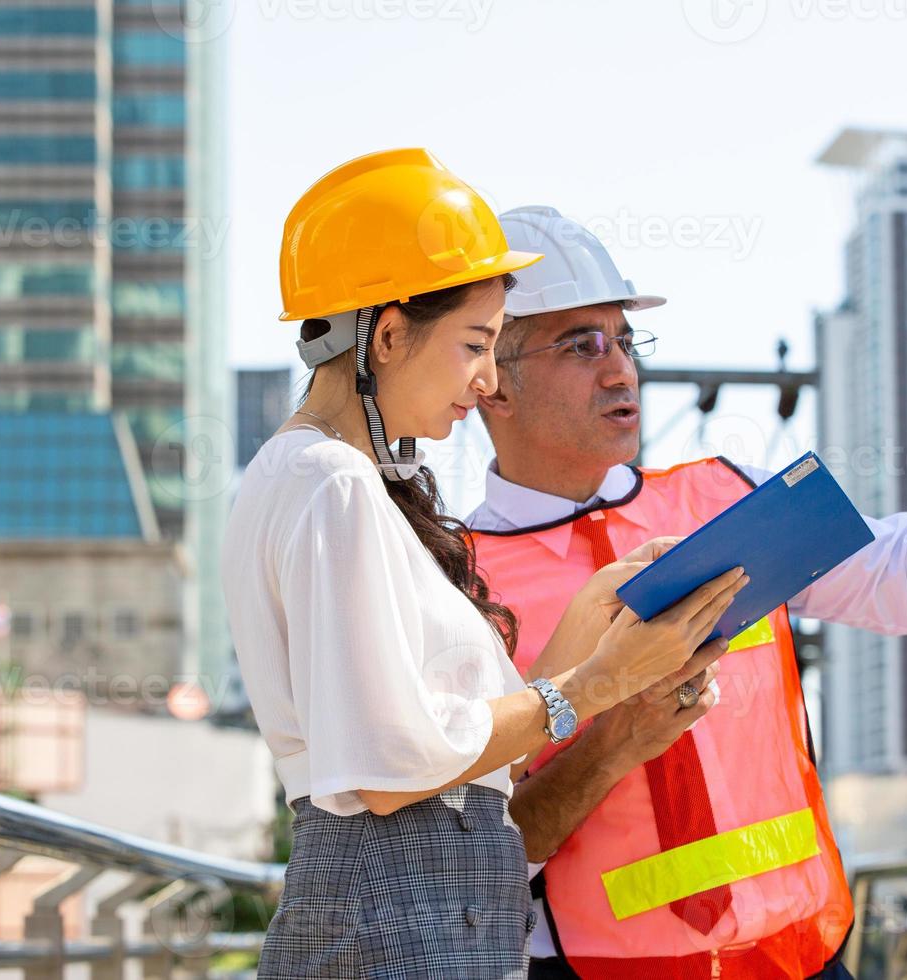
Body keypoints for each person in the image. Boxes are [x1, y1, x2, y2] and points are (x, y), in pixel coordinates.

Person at [465, 206, 907, 979]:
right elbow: (465, 848)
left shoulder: (730, 497)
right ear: (492, 385)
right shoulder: (456, 582)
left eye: (624, 339)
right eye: (581, 346)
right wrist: (610, 742)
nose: (622, 370)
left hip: (799, 959)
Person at [220, 153, 749, 980]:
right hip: (397, 928)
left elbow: (454, 738)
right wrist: (598, 686)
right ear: (389, 335)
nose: (488, 379)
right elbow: (393, 770)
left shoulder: (327, 478)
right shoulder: (330, 481)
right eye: (476, 343)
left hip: (416, 921)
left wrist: (597, 616)